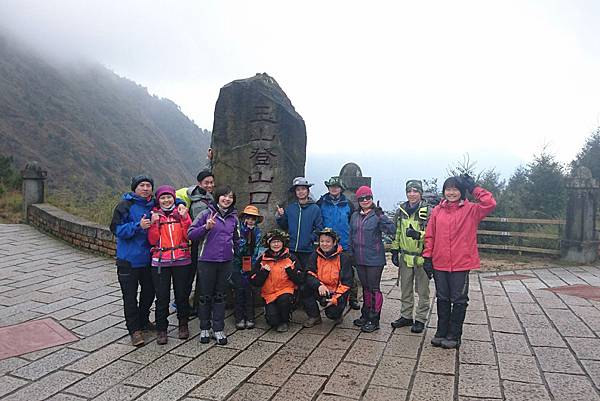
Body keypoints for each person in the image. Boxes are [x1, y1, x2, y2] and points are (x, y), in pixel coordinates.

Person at [423, 174, 496, 349]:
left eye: (455, 189)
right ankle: (441, 331)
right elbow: (430, 235)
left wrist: (474, 188)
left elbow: (490, 203)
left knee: (459, 299)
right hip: (440, 261)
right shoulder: (437, 211)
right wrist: (427, 257)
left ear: (461, 191)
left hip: (461, 263)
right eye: (448, 189)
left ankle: (454, 335)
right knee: (442, 298)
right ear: (443, 191)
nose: (451, 192)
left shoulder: (471, 210)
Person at [188, 186, 239, 345]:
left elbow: (237, 239)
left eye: (230, 197)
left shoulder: (234, 218)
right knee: (205, 296)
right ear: (217, 198)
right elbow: (190, 234)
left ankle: (218, 328)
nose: (227, 199)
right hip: (207, 261)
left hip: (225, 262)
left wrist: (234, 252)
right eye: (224, 196)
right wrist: (205, 227)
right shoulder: (205, 214)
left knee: (221, 295)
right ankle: (204, 327)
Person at [109, 175, 157, 346]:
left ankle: (144, 320)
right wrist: (138, 226)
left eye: (148, 185)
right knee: (130, 297)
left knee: (149, 292)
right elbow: (116, 229)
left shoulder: (154, 204)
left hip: (149, 259)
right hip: (128, 260)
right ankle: (134, 330)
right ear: (134, 188)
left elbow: (173, 199)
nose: (145, 188)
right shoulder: (125, 205)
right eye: (142, 185)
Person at [147, 185, 193, 345]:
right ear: (158, 200)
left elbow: (189, 236)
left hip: (182, 260)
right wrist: (153, 224)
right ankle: (161, 329)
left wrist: (185, 218)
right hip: (160, 261)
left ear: (174, 198)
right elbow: (152, 240)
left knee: (181, 295)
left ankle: (183, 325)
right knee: (162, 297)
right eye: (163, 198)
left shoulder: (181, 213)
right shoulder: (155, 216)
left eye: (169, 197)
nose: (166, 200)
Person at [349, 186, 396, 333]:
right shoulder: (354, 216)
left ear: (372, 198)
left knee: (374, 288)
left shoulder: (377, 215)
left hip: (375, 258)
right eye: (362, 198)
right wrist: (351, 253)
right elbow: (352, 235)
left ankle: (374, 319)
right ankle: (366, 314)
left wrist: (382, 216)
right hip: (359, 257)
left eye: (367, 198)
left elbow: (392, 230)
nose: (365, 201)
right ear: (358, 200)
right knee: (366, 288)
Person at [390, 180, 432, 333]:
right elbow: (397, 232)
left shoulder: (428, 211)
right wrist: (395, 250)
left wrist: (418, 235)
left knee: (423, 290)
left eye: (415, 191)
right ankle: (406, 316)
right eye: (409, 191)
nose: (412, 194)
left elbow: (433, 234)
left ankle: (420, 319)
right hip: (405, 256)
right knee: (405, 288)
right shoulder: (401, 210)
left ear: (420, 193)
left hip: (422, 256)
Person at [317, 177, 360, 310]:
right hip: (326, 244)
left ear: (341, 188)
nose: (333, 189)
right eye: (331, 186)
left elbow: (353, 224)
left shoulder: (348, 204)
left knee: (349, 272)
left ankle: (352, 297)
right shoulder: (321, 203)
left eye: (336, 186)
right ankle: (327, 294)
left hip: (345, 243)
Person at [176, 169, 215, 313]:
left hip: (201, 242)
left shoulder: (206, 196)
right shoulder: (198, 202)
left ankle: (192, 304)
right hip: (195, 243)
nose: (209, 185)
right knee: (191, 274)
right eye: (206, 182)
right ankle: (185, 306)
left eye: (211, 182)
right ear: (199, 183)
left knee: (197, 274)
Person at [250, 229, 303, 333]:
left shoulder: (291, 257)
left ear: (283, 243)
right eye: (273, 242)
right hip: (269, 294)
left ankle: (285, 319)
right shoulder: (262, 259)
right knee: (273, 321)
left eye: (278, 241)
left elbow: (300, 279)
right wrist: (263, 272)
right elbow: (254, 281)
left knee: (284, 300)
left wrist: (290, 271)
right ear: (268, 244)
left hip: (285, 291)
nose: (276, 244)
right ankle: (271, 314)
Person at [302, 228, 353, 327]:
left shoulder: (343, 257)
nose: (324, 244)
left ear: (334, 243)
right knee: (304, 288)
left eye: (328, 241)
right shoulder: (315, 255)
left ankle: (337, 314)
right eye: (322, 241)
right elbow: (309, 273)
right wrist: (318, 285)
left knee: (332, 314)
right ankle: (314, 316)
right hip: (321, 288)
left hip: (337, 292)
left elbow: (347, 282)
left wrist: (335, 298)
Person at [276, 177, 323, 269]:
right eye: (298, 190)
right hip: (291, 249)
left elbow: (319, 227)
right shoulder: (290, 208)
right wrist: (280, 216)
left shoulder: (315, 208)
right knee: (293, 276)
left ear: (308, 191)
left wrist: (310, 239)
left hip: (307, 250)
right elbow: (284, 225)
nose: (300, 192)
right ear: (295, 192)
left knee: (306, 274)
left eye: (303, 189)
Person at [232, 205, 264, 330]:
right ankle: (239, 317)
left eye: (253, 218)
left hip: (250, 263)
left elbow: (256, 249)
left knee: (249, 290)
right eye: (248, 218)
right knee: (239, 290)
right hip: (237, 262)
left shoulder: (257, 232)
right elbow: (237, 248)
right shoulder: (239, 230)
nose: (250, 221)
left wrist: (253, 265)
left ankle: (250, 317)